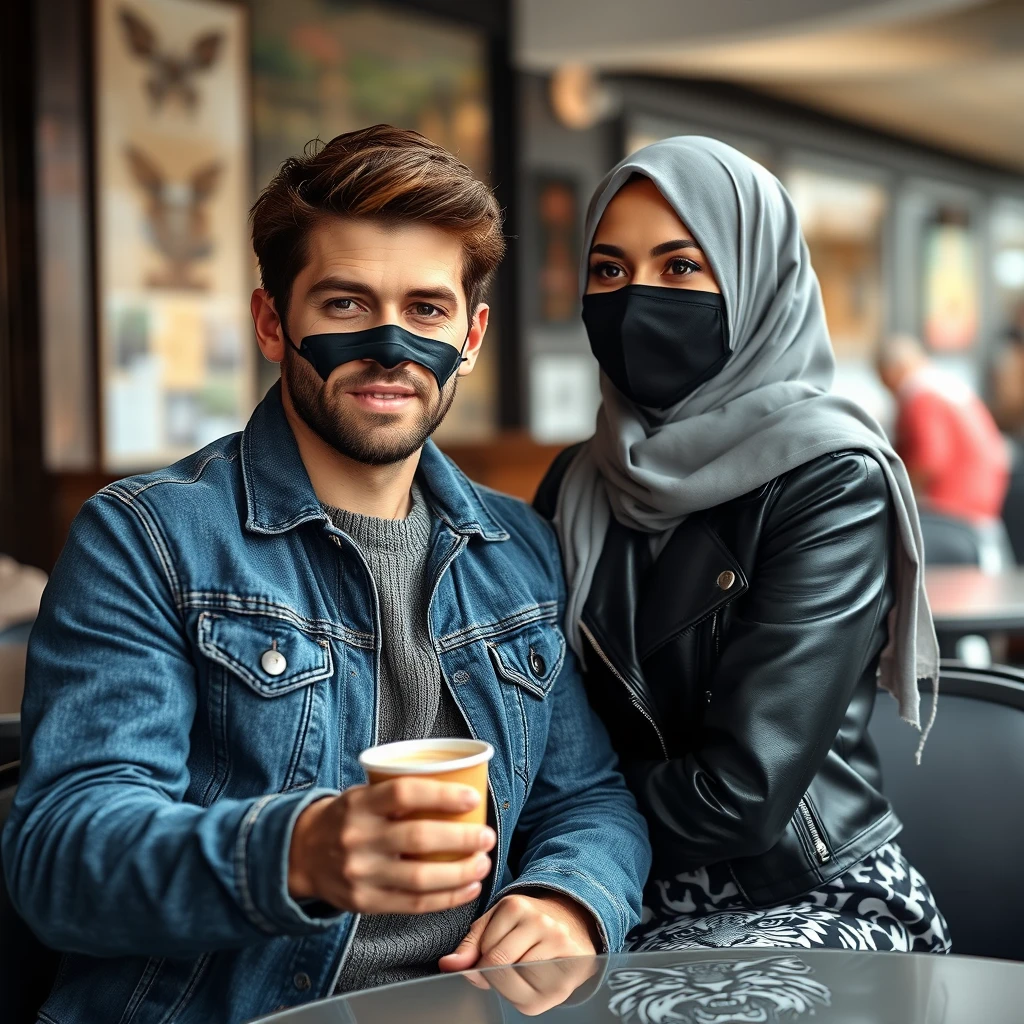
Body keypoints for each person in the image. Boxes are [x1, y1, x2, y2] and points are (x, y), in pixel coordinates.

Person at [2, 126, 650, 1023]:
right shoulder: (145, 538)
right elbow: (62, 856)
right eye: (346, 304)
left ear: (471, 335)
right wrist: (297, 853)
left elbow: (587, 797)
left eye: (427, 310)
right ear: (275, 323)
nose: (390, 348)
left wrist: (571, 897)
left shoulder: (517, 547)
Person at [535, 137, 950, 954]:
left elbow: (744, 792)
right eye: (609, 270)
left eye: (681, 266)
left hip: (803, 890)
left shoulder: (828, 479)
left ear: (757, 280)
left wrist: (567, 817)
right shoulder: (575, 481)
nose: (637, 297)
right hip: (600, 884)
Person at [878, 333, 1010, 535]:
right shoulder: (948, 387)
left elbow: (928, 461)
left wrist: (895, 494)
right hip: (984, 504)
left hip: (951, 509)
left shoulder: (921, 396)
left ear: (893, 370)